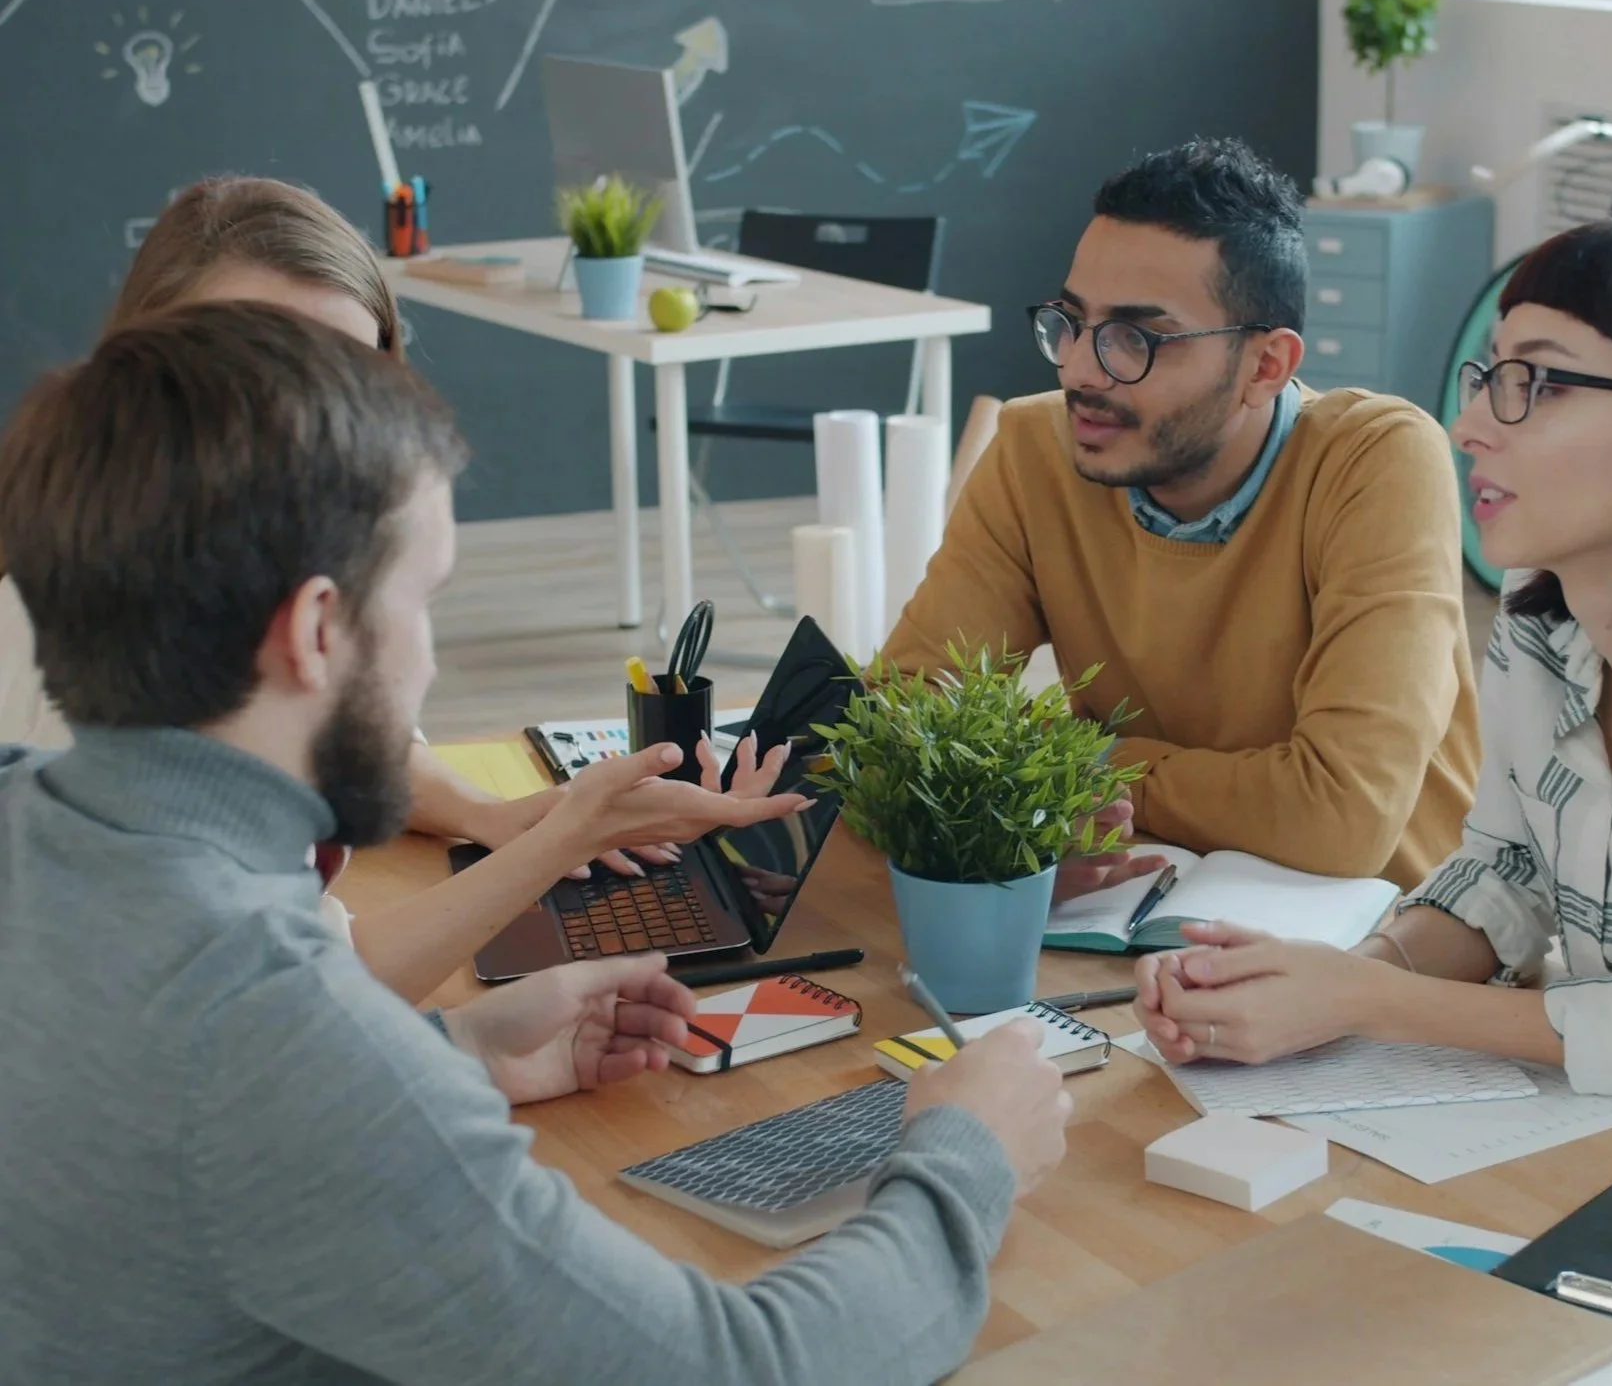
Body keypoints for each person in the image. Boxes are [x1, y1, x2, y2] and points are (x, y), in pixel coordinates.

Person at [0, 301, 1073, 1383]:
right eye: (423, 602)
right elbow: (747, 1368)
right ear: (316, 630)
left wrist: (448, 1053)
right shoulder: (274, 1040)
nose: (425, 668)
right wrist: (965, 1154)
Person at [1133, 213, 1612, 1101]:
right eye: (1489, 375)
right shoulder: (1545, 614)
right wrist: (1317, 987)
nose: (1469, 425)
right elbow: (1504, 882)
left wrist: (1369, 1001)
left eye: (1541, 382)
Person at [0, 175, 710, 1000]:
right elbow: (298, 995)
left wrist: (489, 813)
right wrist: (543, 855)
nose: (318, 419)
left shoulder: (260, 573)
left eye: (347, 374)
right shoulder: (82, 660)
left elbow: (347, 751)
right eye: (262, 368)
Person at [883, 138, 1479, 894]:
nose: (1080, 371)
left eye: (1137, 337)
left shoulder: (1376, 459)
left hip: (1383, 941)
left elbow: (1343, 815)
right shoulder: (1037, 446)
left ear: (1267, 366)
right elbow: (904, 718)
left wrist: (1078, 763)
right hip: (1131, 914)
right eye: (1071, 323)